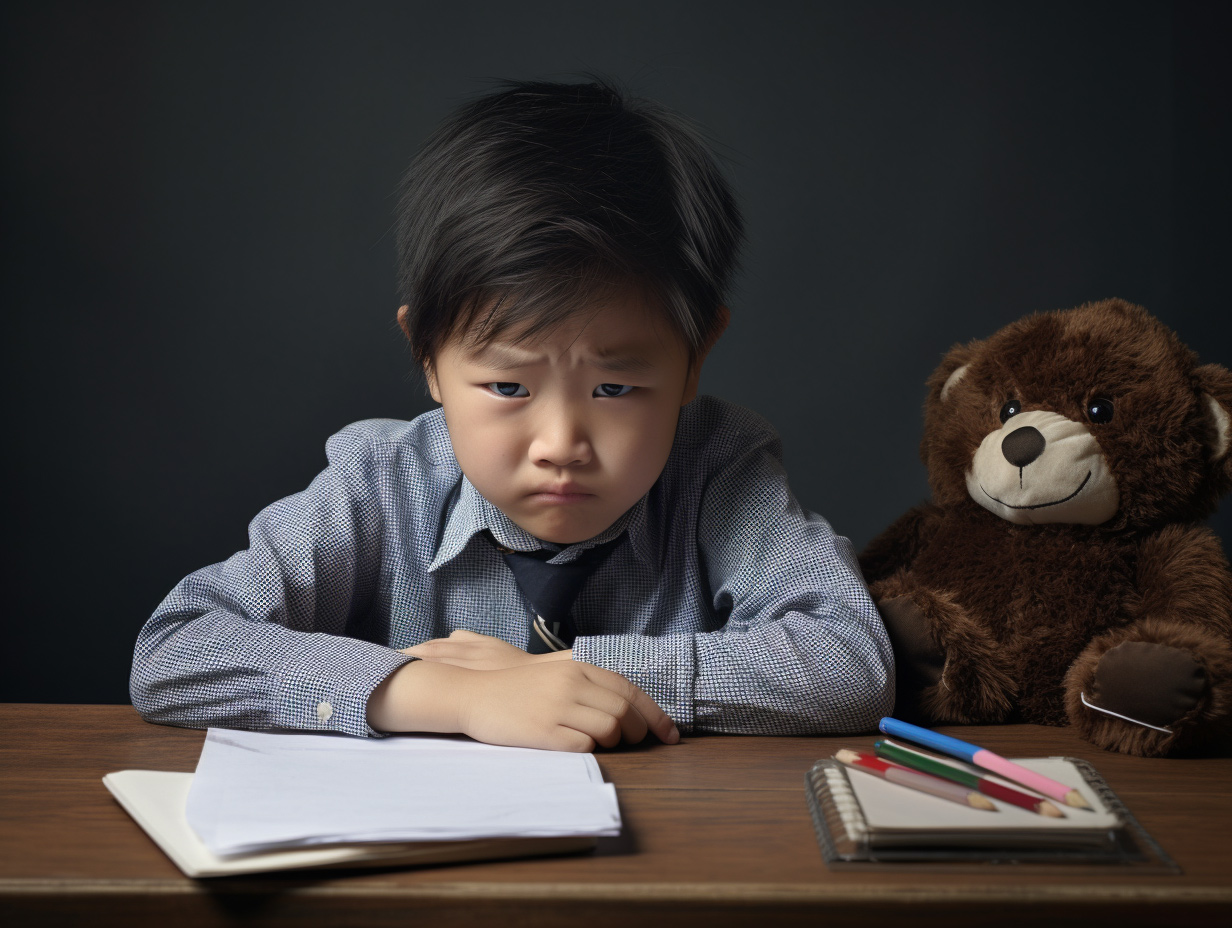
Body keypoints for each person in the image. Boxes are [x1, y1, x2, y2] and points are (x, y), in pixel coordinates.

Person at [130, 76, 893, 752]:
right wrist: (446, 693)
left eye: (616, 390)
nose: (561, 445)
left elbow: (850, 661)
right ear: (429, 357)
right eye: (508, 388)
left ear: (695, 357)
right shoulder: (381, 484)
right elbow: (176, 648)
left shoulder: (716, 468)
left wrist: (577, 677)